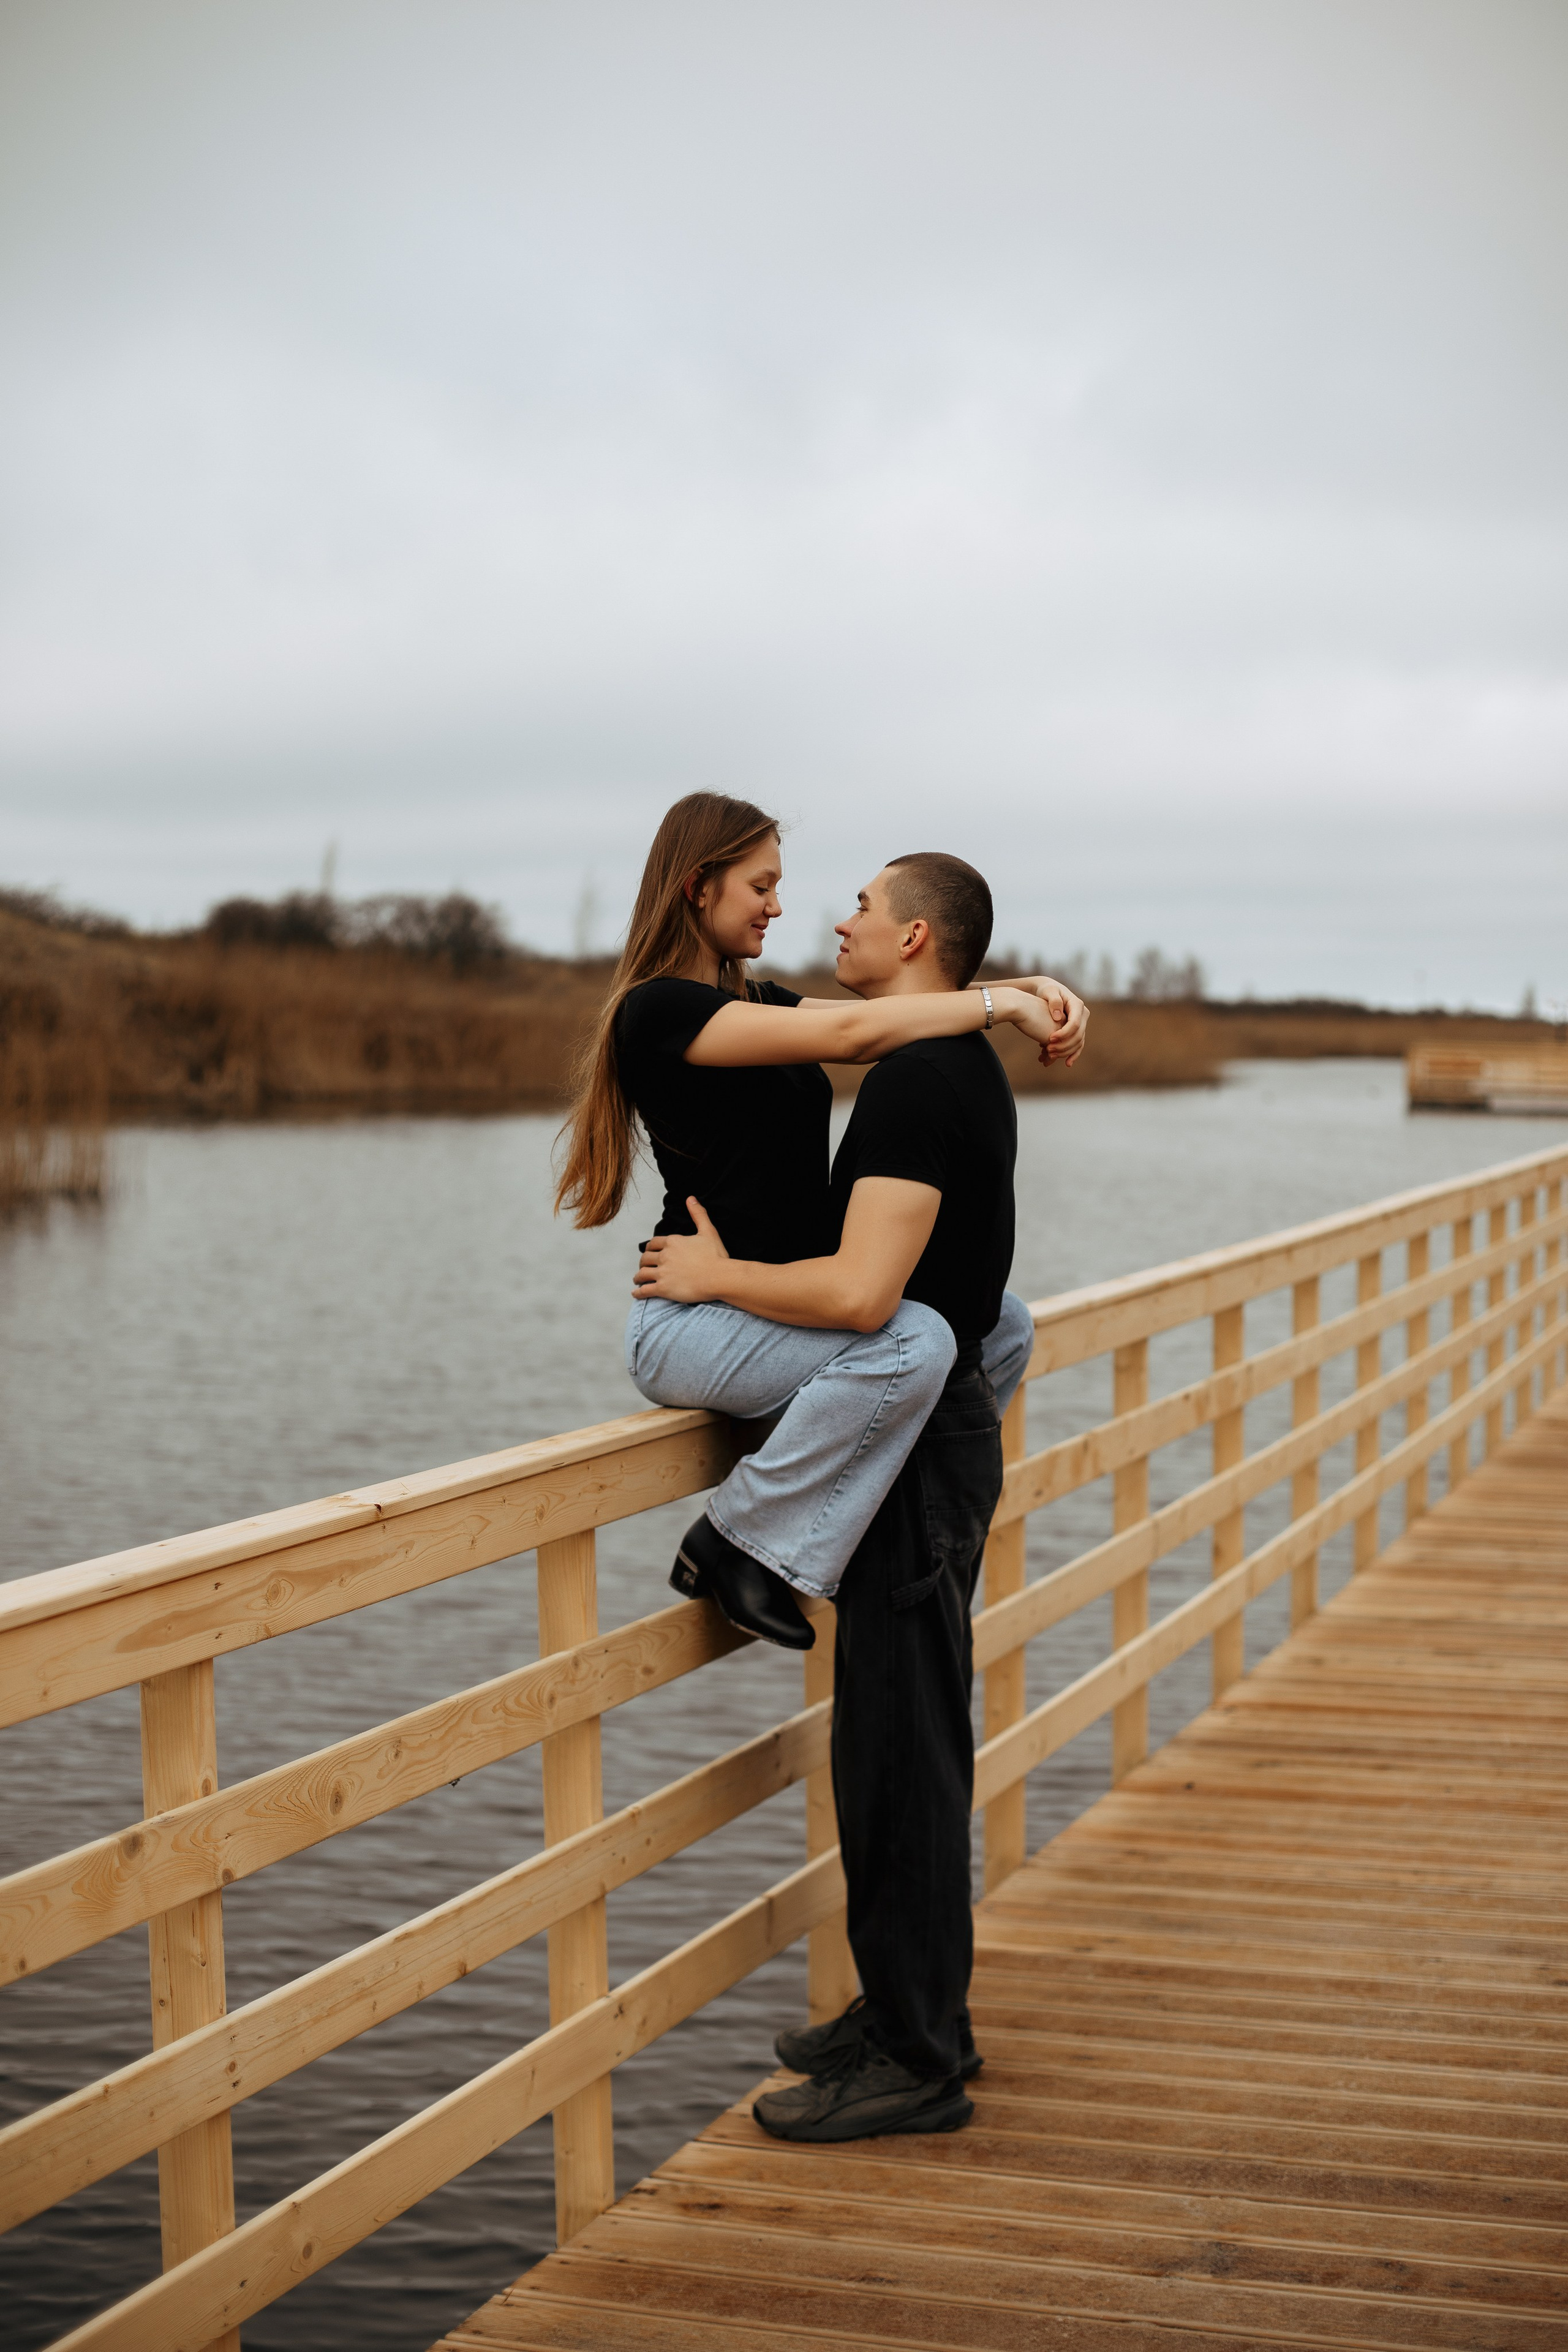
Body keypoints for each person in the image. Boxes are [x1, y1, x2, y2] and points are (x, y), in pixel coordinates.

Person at [633, 849, 1020, 2141]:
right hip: (933, 1443)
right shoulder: (940, 1063)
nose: (831, 917)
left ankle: (913, 2059)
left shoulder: (914, 1084)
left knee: (899, 1759)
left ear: (913, 938)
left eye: (856, 902)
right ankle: (910, 2012)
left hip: (917, 1458)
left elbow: (866, 1305)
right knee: (895, 1747)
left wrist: (715, 1277)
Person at [557, 793, 1085, 1651]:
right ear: (698, 887)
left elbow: (879, 1027)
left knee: (999, 1324)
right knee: (914, 1340)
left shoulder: (758, 1000)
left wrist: (1031, 991)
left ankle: (882, 1501)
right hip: (694, 1315)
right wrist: (1003, 1007)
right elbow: (852, 1032)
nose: (778, 904)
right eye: (761, 885)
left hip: (765, 1305)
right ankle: (736, 1543)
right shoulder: (659, 1012)